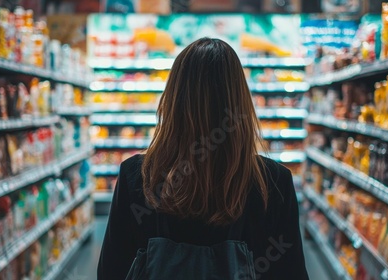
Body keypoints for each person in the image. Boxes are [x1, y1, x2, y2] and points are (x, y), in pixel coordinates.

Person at [98, 38, 309, 280]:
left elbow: (110, 271)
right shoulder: (274, 182)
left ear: (173, 100)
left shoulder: (136, 175)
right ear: (240, 101)